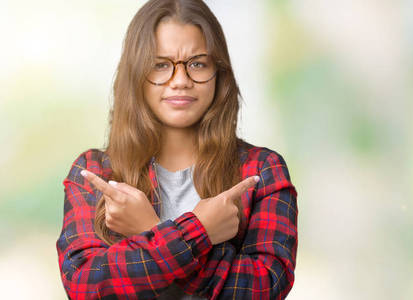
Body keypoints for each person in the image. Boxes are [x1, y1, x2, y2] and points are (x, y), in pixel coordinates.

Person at [55, 0, 298, 299]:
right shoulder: (96, 171)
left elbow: (265, 286)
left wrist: (150, 227)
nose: (180, 81)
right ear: (136, 75)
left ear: (218, 73)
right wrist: (200, 233)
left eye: (197, 64)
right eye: (160, 65)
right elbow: (86, 285)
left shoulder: (261, 169)